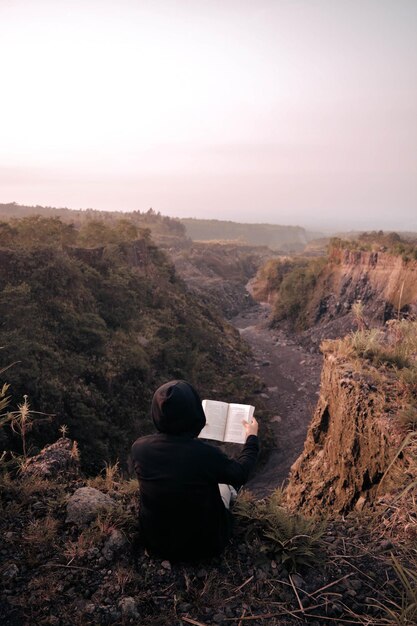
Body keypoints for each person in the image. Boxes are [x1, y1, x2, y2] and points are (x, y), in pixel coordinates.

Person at [131, 380, 259, 562]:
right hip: (205, 546)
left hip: (155, 542)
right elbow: (241, 473)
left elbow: (174, 460)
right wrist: (252, 438)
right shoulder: (205, 454)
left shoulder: (139, 448)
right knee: (225, 486)